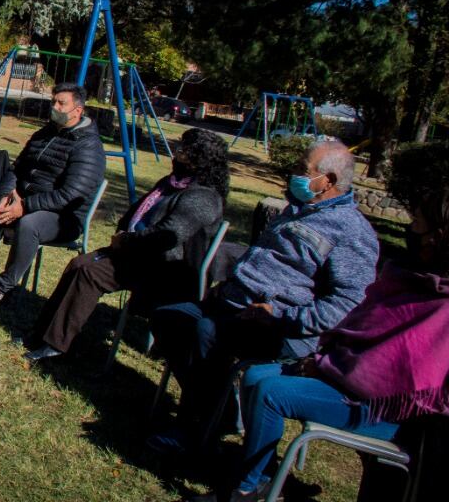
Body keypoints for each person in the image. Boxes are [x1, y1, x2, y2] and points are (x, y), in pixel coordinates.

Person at [188, 143, 449, 502]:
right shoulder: (406, 277)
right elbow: (363, 329)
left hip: (375, 400)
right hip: (334, 366)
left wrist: (291, 327)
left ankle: (249, 488)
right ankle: (244, 463)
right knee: (249, 369)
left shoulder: (432, 299)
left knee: (265, 387)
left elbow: (393, 360)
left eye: (416, 223)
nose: (409, 229)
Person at [149, 138, 380, 455]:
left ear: (329, 181)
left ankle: (195, 430)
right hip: (235, 306)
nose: (294, 174)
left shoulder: (351, 232)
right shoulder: (298, 210)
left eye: (303, 169)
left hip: (282, 328)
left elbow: (349, 303)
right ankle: (225, 411)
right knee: (169, 317)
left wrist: (281, 316)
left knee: (207, 333)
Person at [21, 128, 229, 363]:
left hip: (165, 268)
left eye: (184, 150)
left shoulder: (203, 197)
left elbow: (166, 237)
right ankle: (41, 333)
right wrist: (123, 232)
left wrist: (126, 241)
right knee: (78, 263)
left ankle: (57, 346)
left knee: (90, 273)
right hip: (136, 253)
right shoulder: (171, 183)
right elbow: (137, 212)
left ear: (199, 159)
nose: (176, 153)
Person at [0, 82, 107, 307]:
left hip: (62, 217)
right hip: (21, 200)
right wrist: (5, 195)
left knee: (30, 223)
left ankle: (4, 289)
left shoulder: (89, 147)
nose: (55, 107)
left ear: (77, 111)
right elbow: (16, 169)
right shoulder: (44, 134)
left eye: (61, 103)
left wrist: (24, 206)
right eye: (53, 101)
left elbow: (71, 194)